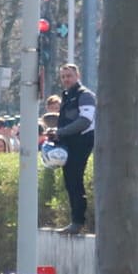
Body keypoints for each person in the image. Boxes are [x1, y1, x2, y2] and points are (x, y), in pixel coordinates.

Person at [52, 64, 97, 235]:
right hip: (69, 142)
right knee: (70, 181)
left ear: (77, 75)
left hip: (81, 141)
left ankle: (78, 221)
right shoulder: (67, 95)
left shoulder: (84, 95)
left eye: (69, 76)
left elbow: (85, 121)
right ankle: (75, 220)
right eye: (63, 76)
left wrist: (61, 132)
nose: (66, 79)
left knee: (75, 180)